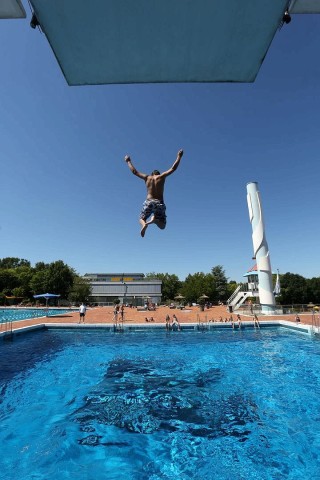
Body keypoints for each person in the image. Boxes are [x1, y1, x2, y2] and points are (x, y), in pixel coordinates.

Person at [125, 149, 184, 237]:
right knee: (163, 226)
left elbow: (135, 172)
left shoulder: (147, 177)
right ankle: (155, 220)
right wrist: (179, 157)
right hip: (159, 203)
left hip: (149, 202)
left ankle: (144, 224)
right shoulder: (162, 176)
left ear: (152, 174)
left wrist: (128, 161)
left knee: (141, 218)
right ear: (158, 174)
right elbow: (173, 168)